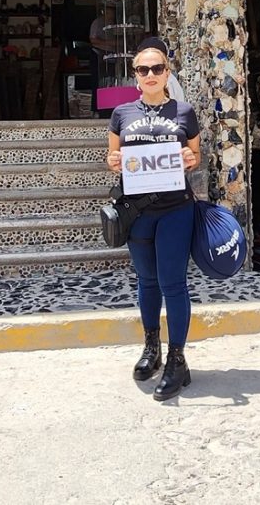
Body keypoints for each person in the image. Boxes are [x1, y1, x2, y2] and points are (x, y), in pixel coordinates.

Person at [104, 35, 204, 400]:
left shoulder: (183, 112)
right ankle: (152, 348)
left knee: (173, 284)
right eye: (143, 69)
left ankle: (177, 359)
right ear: (135, 76)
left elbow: (195, 156)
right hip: (137, 212)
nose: (150, 74)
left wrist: (192, 160)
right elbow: (112, 158)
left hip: (175, 210)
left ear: (167, 73)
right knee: (146, 283)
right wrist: (114, 162)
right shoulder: (121, 114)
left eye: (157, 68)